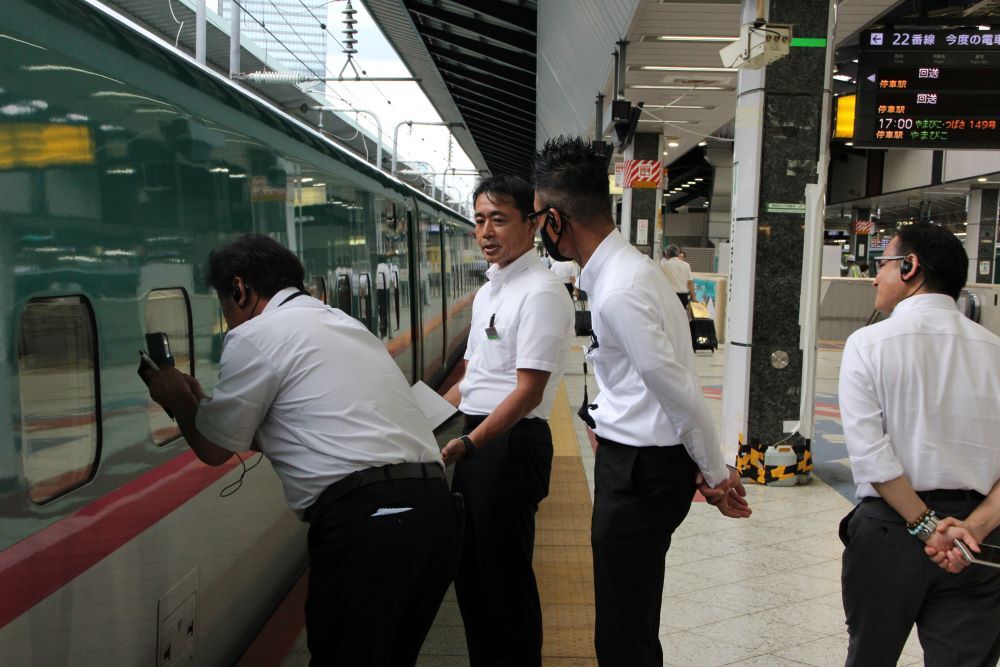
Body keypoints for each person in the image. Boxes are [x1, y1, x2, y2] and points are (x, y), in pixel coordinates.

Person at [143, 234, 461, 666]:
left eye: (224, 305)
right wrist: (203, 406)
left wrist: (178, 399)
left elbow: (216, 450)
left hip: (369, 525)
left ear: (239, 289)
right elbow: (294, 424)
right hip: (435, 514)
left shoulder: (255, 335)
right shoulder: (344, 324)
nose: (228, 321)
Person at [532, 136, 750, 667]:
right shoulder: (622, 273)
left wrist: (716, 475)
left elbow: (676, 391)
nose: (537, 228)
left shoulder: (622, 289)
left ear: (557, 220)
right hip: (642, 465)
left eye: (538, 216)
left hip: (639, 473)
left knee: (623, 629)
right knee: (626, 613)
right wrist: (702, 469)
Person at [838, 222, 1000, 666]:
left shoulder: (867, 345)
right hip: (976, 544)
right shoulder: (996, 350)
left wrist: (929, 528)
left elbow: (871, 455)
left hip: (892, 530)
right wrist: (974, 531)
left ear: (909, 267)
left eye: (882, 264)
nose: (876, 276)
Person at [440, 175, 574, 666]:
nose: (486, 231)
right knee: (471, 573)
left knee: (504, 576)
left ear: (533, 223)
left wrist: (469, 443)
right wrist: (419, 422)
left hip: (511, 445)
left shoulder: (539, 292)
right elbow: (471, 380)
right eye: (479, 220)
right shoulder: (489, 293)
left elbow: (527, 392)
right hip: (480, 441)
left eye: (499, 219)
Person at [659, 244, 696, 308]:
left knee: (671, 316)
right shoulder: (686, 265)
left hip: (671, 296)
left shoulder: (665, 265)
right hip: (684, 296)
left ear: (666, 254)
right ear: (678, 253)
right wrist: (693, 297)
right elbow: (689, 283)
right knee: (682, 315)